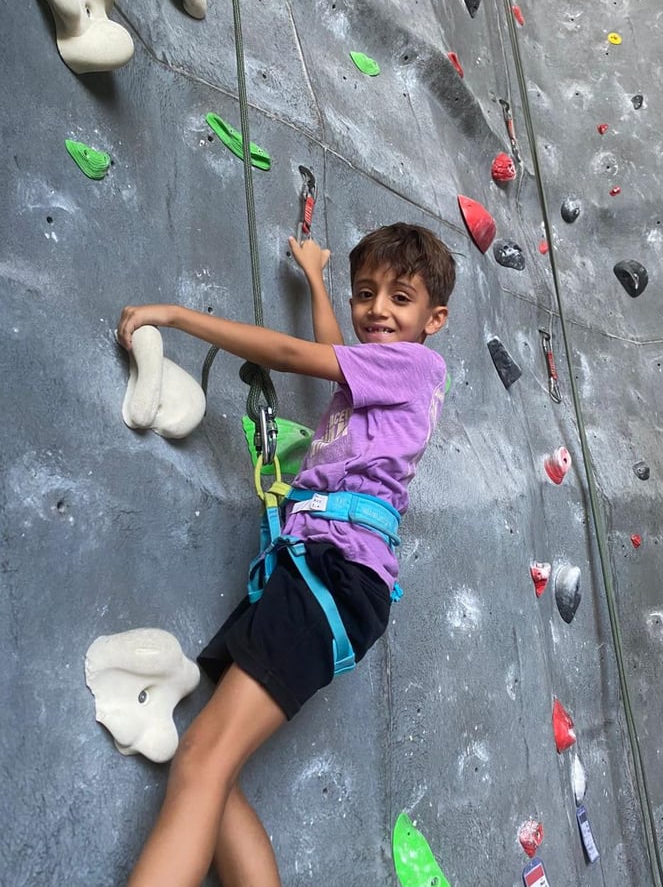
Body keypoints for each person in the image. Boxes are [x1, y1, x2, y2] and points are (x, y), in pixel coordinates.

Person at [116, 222, 456, 887]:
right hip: (321, 572)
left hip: (332, 573)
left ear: (434, 320)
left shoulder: (418, 366)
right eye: (366, 293)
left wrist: (176, 315)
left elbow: (293, 354)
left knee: (202, 763)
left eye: (401, 298)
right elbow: (332, 352)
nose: (378, 309)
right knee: (211, 772)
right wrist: (316, 278)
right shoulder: (383, 376)